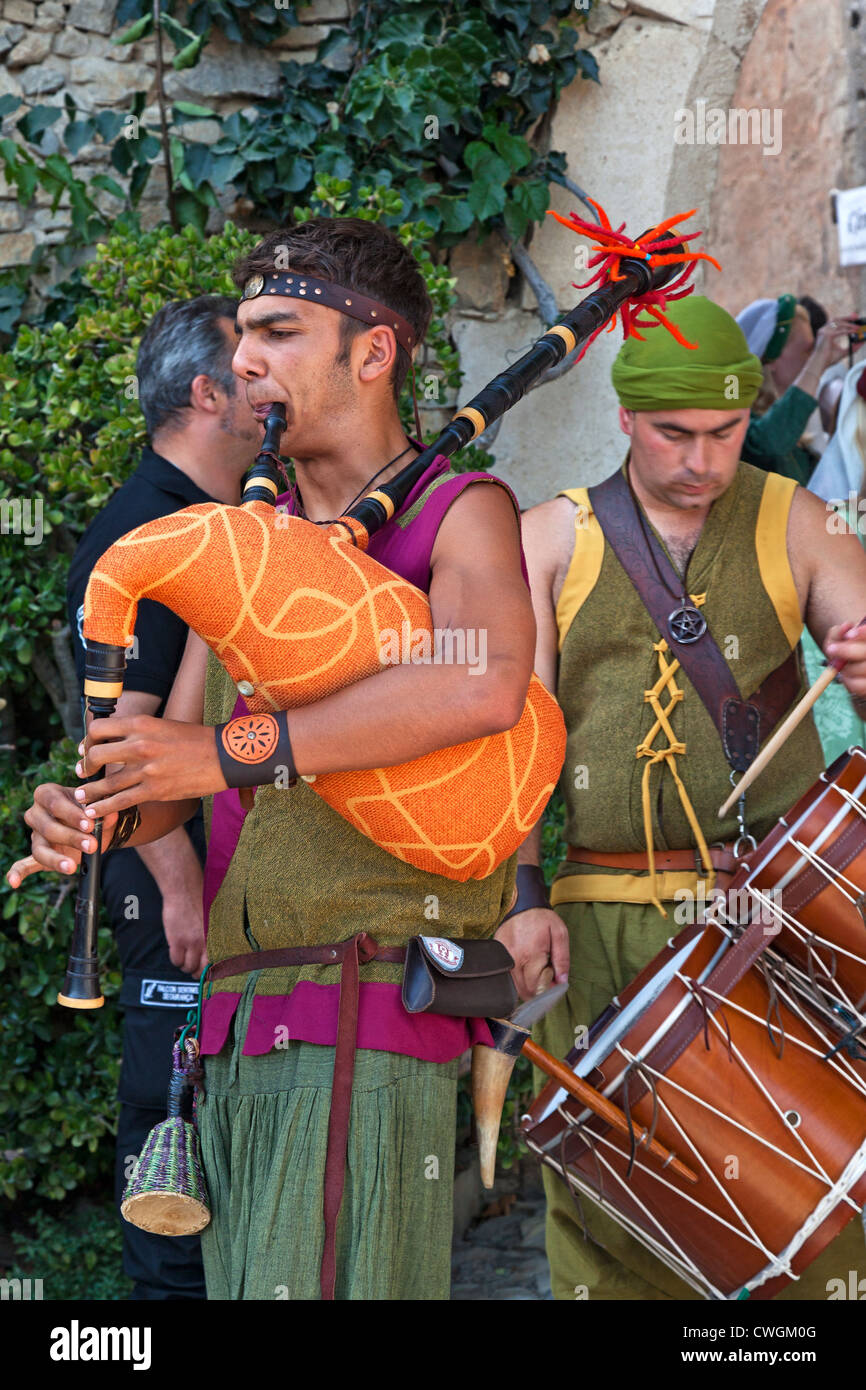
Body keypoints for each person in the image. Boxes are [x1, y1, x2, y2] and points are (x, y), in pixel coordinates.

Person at [8, 216, 557, 1301]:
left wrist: (217, 753)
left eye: (277, 330)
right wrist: (103, 811)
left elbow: (478, 683)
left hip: (365, 1013)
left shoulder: (461, 515)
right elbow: (179, 788)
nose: (244, 360)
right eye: (242, 335)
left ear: (371, 351)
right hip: (237, 1031)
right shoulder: (251, 552)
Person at [513, 294, 866, 1300]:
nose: (702, 460)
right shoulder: (549, 538)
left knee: (813, 1212)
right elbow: (521, 749)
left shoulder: (794, 519)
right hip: (600, 924)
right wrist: (522, 895)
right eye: (675, 433)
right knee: (609, 1219)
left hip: (769, 925)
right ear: (624, 416)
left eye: (723, 432)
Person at [65, 295, 261, 1300]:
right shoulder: (141, 536)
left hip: (219, 891)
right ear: (205, 392)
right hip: (161, 899)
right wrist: (181, 886)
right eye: (252, 367)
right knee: (173, 1178)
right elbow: (112, 744)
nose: (269, 388)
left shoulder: (210, 524)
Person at [735, 294, 860, 483]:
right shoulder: (737, 420)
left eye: (814, 351)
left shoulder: (791, 429)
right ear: (772, 360)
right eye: (808, 350)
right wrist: (817, 362)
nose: (811, 358)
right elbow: (770, 445)